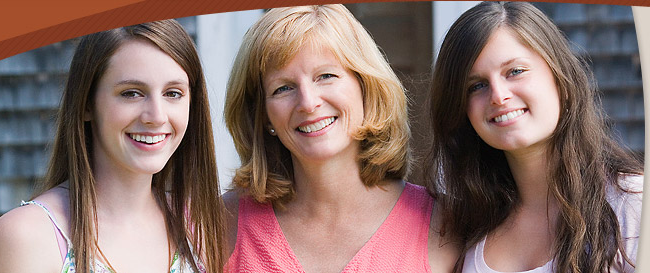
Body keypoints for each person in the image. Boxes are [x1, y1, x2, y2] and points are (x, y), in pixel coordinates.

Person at [223, 4, 458, 272]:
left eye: (326, 76)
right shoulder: (223, 223)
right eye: (283, 88)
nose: (308, 103)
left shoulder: (445, 225)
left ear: (366, 87)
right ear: (263, 116)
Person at [0, 20, 225, 273]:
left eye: (173, 93)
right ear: (87, 104)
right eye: (131, 93)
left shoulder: (196, 227)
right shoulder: (28, 236)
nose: (157, 116)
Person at [425, 2, 643, 272]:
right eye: (476, 85)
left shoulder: (633, 205)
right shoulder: (463, 226)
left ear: (560, 78)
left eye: (515, 71)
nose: (498, 95)